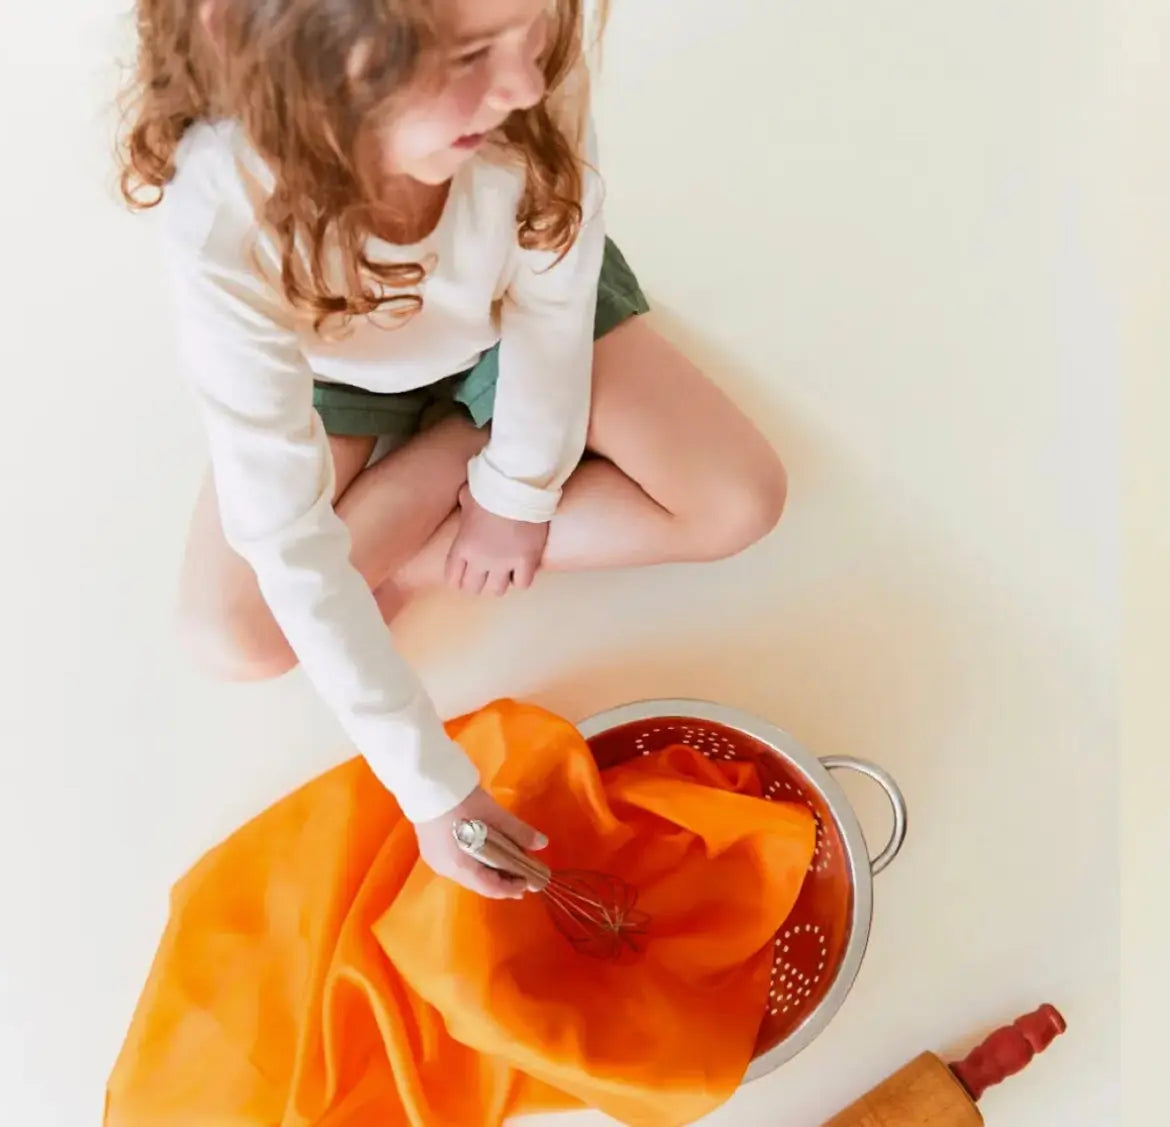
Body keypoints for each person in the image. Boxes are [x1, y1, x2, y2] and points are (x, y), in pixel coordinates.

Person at [118, 0, 787, 899]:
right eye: (469, 55)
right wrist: (432, 786)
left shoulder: (516, 95)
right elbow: (281, 530)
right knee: (232, 635)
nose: (521, 85)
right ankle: (443, 459)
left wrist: (517, 496)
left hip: (514, 325)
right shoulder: (222, 215)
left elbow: (551, 311)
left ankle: (432, 521)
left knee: (740, 500)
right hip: (337, 371)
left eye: (536, 31)